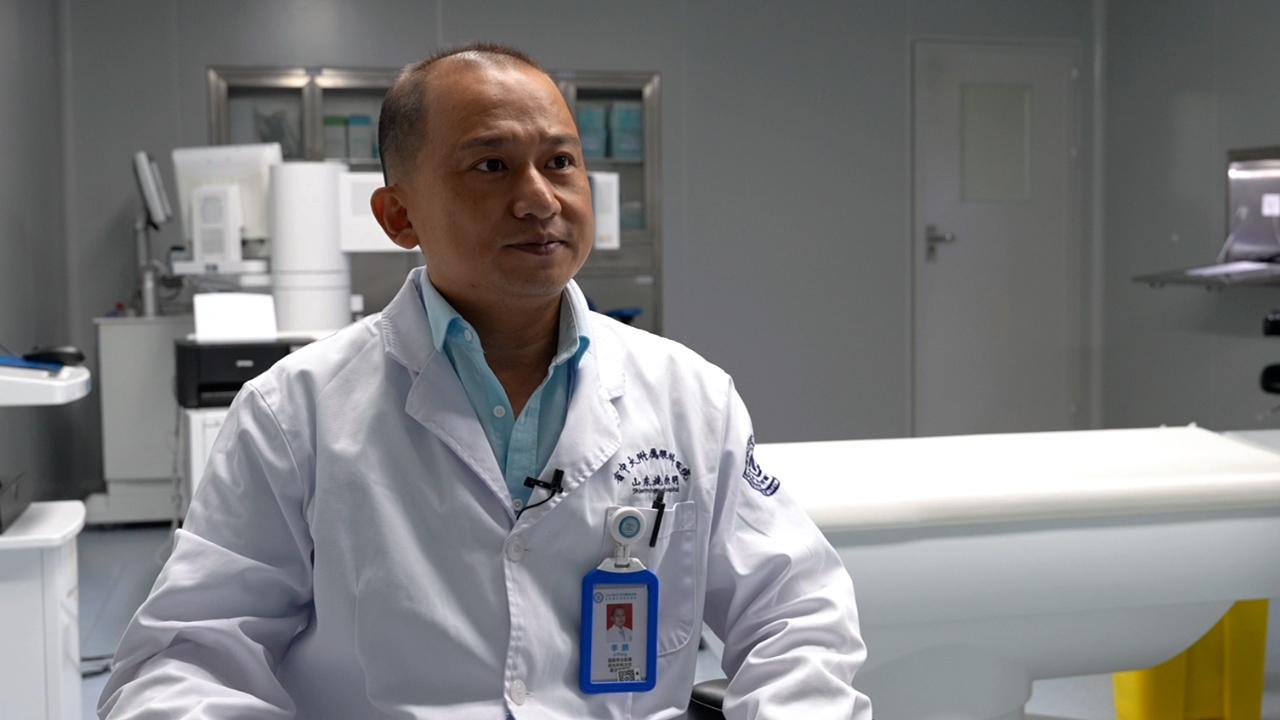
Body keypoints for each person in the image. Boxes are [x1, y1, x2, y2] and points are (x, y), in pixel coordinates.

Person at [99, 43, 873, 719]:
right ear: (399, 216)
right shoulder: (293, 414)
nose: (539, 198)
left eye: (560, 162)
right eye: (491, 165)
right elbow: (183, 661)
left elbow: (795, 614)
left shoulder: (691, 398)